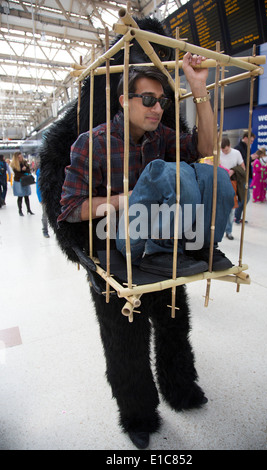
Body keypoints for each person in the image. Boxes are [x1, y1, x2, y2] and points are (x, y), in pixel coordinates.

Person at [58, 54, 234, 449]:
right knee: (125, 340)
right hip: (113, 255)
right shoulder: (93, 143)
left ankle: (180, 388)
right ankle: (137, 415)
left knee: (173, 325)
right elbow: (70, 208)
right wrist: (129, 199)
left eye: (162, 101)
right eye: (148, 100)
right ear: (125, 100)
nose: (157, 109)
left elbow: (206, 147)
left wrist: (200, 89)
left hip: (163, 250)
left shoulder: (163, 137)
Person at [220, 137, 245, 240]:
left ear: (229, 146)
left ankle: (228, 231)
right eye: (222, 150)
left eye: (225, 150)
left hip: (233, 183)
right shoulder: (218, 153)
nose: (224, 152)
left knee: (231, 209)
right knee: (220, 208)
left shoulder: (236, 153)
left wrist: (233, 171)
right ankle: (219, 231)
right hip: (221, 182)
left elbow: (243, 167)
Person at [234, 131, 255, 224]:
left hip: (246, 176)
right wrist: (251, 158)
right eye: (250, 140)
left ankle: (238, 216)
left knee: (245, 197)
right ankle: (236, 216)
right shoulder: (238, 149)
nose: (251, 142)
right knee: (244, 197)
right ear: (245, 138)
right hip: (241, 177)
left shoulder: (246, 148)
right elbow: (241, 163)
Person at [10, 151, 35, 216]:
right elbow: (17, 174)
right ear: (16, 158)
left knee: (27, 196)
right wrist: (22, 170)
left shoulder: (25, 162)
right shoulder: (14, 164)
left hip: (26, 181)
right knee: (20, 196)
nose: (20, 158)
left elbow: (28, 170)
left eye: (21, 156)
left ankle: (29, 210)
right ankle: (20, 211)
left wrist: (25, 169)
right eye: (19, 157)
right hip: (18, 181)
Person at [36, 167, 50, 237]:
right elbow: (38, 185)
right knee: (45, 214)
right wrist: (40, 198)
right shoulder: (40, 170)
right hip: (45, 196)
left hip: (54, 195)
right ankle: (45, 230)